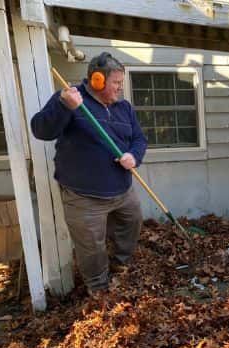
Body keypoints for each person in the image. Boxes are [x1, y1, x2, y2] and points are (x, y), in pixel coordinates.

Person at [31, 52, 148, 294]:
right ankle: (99, 290)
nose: (119, 88)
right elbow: (41, 130)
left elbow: (139, 138)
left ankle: (120, 265)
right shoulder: (70, 98)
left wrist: (133, 156)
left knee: (132, 221)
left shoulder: (124, 108)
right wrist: (65, 107)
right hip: (83, 196)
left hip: (122, 189)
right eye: (116, 83)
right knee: (91, 247)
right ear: (97, 80)